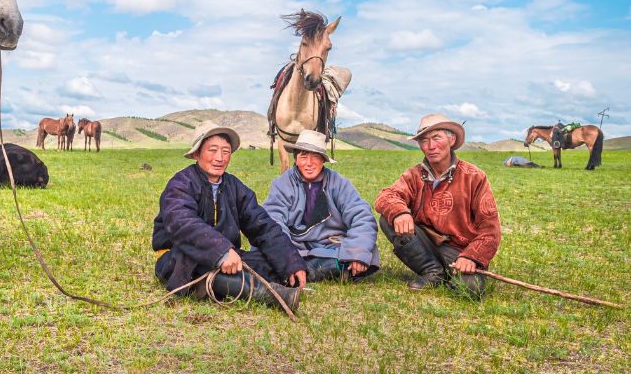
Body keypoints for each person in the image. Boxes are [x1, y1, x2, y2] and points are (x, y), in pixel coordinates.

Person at [152, 121, 307, 313]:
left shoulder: (234, 186)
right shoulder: (180, 183)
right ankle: (268, 295)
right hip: (177, 257)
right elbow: (182, 223)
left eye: (225, 151)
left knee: (269, 261)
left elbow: (263, 226)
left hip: (227, 257)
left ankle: (220, 285)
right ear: (196, 154)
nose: (220, 158)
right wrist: (222, 251)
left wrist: (290, 261)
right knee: (193, 261)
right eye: (212, 150)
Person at [375, 114, 501, 298]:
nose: (430, 146)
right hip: (424, 244)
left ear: (452, 140)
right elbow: (386, 196)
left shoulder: (474, 177)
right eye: (424, 140)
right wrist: (400, 212)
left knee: (468, 290)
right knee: (389, 217)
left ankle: (450, 271)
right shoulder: (414, 175)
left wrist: (472, 256)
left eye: (436, 138)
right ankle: (432, 271)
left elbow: (491, 228)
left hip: (461, 250)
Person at [262, 130, 380, 283]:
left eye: (315, 156)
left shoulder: (339, 183)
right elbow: (272, 220)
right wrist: (287, 255)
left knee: (366, 250)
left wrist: (356, 251)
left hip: (331, 246)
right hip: (293, 246)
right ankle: (328, 270)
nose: (309, 163)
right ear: (296, 159)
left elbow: (362, 217)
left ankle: (300, 272)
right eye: (303, 156)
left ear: (323, 160)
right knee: (262, 248)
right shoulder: (282, 184)